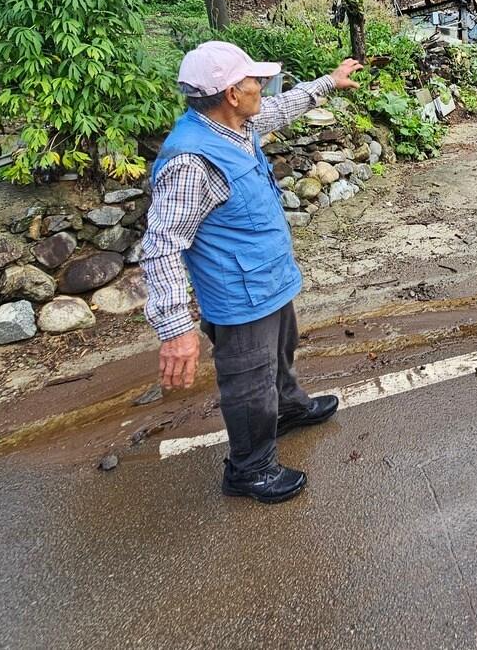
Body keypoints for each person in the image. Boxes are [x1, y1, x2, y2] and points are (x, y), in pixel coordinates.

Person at [141, 40, 363, 503]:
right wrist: (175, 329)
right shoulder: (192, 161)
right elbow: (161, 245)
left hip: (268, 278)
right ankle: (250, 468)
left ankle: (287, 408)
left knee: (281, 350)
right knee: (249, 382)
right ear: (230, 95)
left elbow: (279, 109)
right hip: (238, 295)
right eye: (252, 81)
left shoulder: (234, 126)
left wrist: (329, 82)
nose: (261, 85)